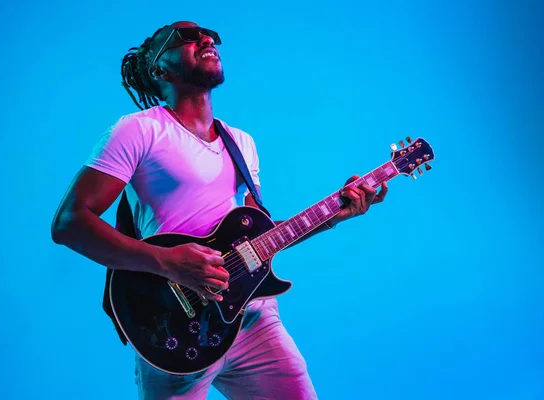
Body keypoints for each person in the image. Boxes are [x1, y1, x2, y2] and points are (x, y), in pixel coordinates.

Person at [51, 20, 387, 400]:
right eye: (186, 37)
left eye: (209, 34)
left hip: (254, 320)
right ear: (159, 69)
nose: (206, 39)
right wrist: (167, 262)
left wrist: (335, 216)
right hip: (175, 326)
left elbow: (256, 237)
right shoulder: (139, 131)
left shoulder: (242, 143)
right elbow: (69, 222)